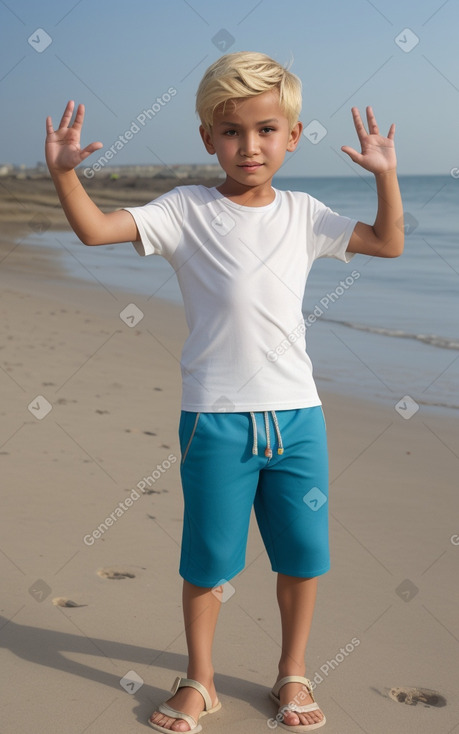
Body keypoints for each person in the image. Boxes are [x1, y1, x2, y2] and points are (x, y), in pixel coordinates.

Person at [45, 51, 403, 733]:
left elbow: (387, 244)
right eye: (232, 131)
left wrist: (386, 177)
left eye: (267, 130)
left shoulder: (304, 213)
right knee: (208, 560)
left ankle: (291, 674)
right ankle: (200, 680)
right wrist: (66, 174)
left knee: (302, 554)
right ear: (208, 138)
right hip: (214, 420)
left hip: (297, 417)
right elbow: (95, 230)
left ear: (293, 137)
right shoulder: (184, 210)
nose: (250, 146)